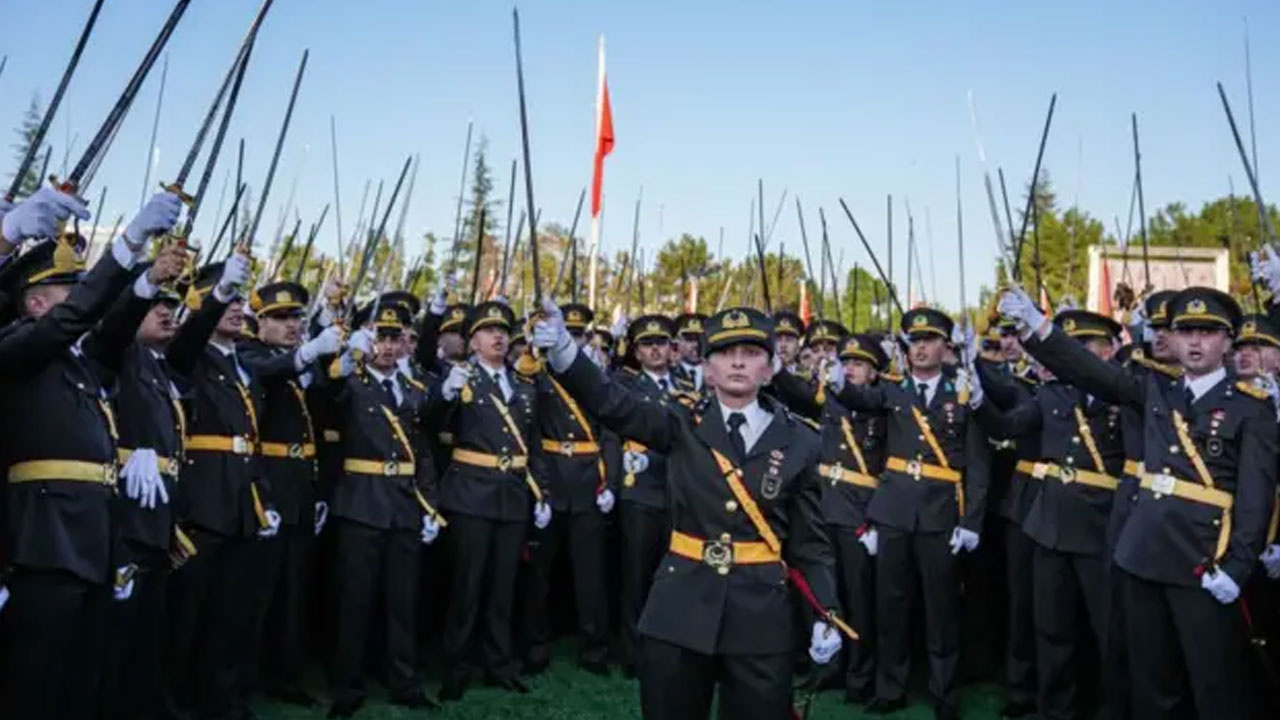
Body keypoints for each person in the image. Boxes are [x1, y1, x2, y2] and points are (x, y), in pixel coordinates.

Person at [531, 302, 847, 720]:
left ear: (770, 369)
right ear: (707, 368)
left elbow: (810, 543)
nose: (737, 361)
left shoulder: (801, 441)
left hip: (761, 614)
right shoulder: (681, 421)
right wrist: (566, 354)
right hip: (679, 607)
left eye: (751, 353)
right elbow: (613, 404)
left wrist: (826, 610)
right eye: (724, 352)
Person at [1000, 284, 1277, 719]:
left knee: (1214, 685)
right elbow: (1089, 370)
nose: (1195, 341)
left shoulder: (1251, 407)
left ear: (1227, 341)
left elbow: (1256, 499)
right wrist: (1038, 326)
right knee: (1152, 686)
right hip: (1142, 559)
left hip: (1204, 563)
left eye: (1207, 331)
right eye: (1186, 331)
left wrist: (1239, 567)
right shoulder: (1155, 390)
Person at [0, 189, 181, 720]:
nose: (83, 302)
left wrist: (143, 274)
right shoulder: (17, 346)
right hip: (44, 538)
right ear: (35, 302)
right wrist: (124, 245)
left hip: (94, 535)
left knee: (83, 678)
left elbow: (114, 325)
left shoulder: (78, 363)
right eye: (69, 291)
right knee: (36, 683)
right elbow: (73, 320)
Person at [824, 307, 990, 720]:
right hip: (894, 512)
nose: (920, 348)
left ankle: (944, 693)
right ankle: (890, 687)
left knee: (941, 610)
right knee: (890, 606)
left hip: (939, 515)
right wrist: (838, 384)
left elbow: (978, 465)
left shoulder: (964, 392)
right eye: (913, 341)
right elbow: (859, 398)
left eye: (929, 340)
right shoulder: (894, 391)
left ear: (945, 347)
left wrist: (971, 522)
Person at [976, 309, 1126, 720]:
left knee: (1109, 632)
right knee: (1050, 629)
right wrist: (977, 400)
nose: (1072, 356)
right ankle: (1053, 709)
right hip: (1050, 526)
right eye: (1068, 347)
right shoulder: (1052, 394)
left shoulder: (1127, 393)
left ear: (1110, 351)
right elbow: (1008, 426)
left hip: (1103, 527)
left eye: (1085, 347)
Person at [323, 300, 442, 717]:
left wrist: (430, 504)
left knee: (402, 601)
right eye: (380, 338)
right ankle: (348, 686)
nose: (388, 347)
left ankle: (403, 682)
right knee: (355, 600)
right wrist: (343, 354)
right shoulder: (350, 383)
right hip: (361, 501)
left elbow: (422, 451)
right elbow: (324, 396)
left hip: (404, 505)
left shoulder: (412, 391)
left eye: (395, 338)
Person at [428, 300, 549, 702]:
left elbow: (533, 444)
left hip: (512, 494)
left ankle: (499, 665)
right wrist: (445, 394)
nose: (498, 337)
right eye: (488, 331)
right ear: (473, 340)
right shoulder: (460, 379)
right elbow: (429, 424)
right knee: (467, 586)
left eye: (503, 331)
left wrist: (541, 491)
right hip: (471, 493)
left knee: (503, 587)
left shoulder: (524, 384)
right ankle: (456, 668)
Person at [771, 333, 891, 705]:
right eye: (847, 363)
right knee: (825, 597)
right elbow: (798, 396)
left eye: (859, 364)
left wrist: (876, 519)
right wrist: (776, 368)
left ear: (874, 373)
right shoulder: (830, 400)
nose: (851, 369)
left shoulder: (885, 408)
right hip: (823, 508)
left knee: (859, 601)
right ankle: (827, 669)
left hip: (858, 513)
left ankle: (860, 675)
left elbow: (892, 468)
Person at [239, 281, 342, 706]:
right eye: (281, 318)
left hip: (300, 484)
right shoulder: (250, 355)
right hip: (268, 483)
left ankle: (284, 675)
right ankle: (243, 681)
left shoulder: (303, 364)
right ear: (259, 322)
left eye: (296, 318)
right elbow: (270, 371)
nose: (291, 325)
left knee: (292, 592)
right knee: (256, 593)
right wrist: (309, 351)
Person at [522, 302, 615, 676]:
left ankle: (594, 648)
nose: (573, 340)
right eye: (567, 334)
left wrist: (609, 482)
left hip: (589, 481)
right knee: (539, 574)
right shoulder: (537, 374)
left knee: (591, 575)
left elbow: (611, 431)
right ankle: (535, 646)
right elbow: (528, 432)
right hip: (551, 477)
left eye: (578, 335)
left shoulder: (594, 378)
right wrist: (538, 485)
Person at [613, 314, 686, 677]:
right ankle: (633, 653)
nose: (655, 349)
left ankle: (667, 650)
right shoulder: (626, 386)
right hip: (640, 489)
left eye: (661, 342)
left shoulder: (686, 383)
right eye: (647, 343)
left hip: (677, 492)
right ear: (636, 352)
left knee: (672, 578)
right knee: (636, 577)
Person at [671, 312, 708, 393]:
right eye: (689, 339)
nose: (696, 345)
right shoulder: (668, 374)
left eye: (700, 339)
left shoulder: (716, 374)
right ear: (678, 341)